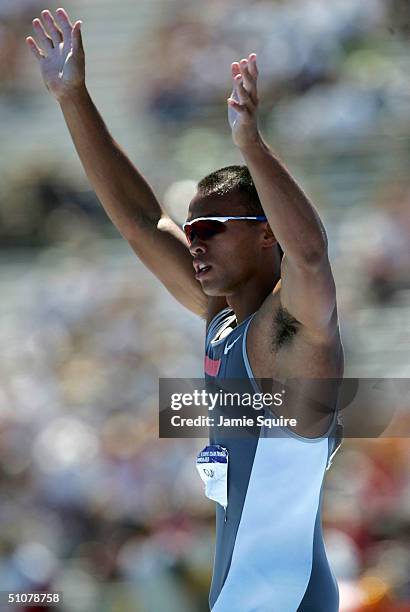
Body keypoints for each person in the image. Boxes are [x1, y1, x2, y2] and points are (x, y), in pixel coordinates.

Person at [27, 8, 344, 611]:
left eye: (213, 227)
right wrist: (73, 98)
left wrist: (250, 144)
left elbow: (310, 256)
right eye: (192, 227)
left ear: (265, 235)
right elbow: (144, 220)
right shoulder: (220, 320)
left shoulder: (291, 337)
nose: (194, 241)